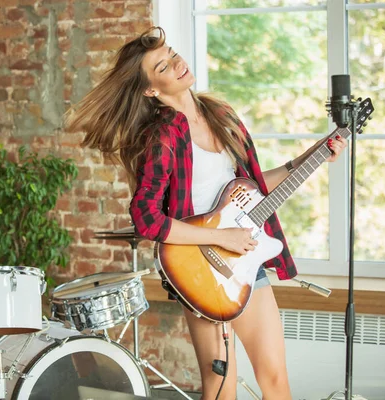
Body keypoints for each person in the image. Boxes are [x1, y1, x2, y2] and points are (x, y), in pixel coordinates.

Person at [66, 27, 347, 400]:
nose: (178, 63)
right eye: (164, 66)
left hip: (246, 262)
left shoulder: (221, 114)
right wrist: (219, 236)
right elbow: (146, 218)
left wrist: (312, 156)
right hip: (200, 268)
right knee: (220, 386)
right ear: (152, 90)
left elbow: (257, 185)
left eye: (173, 53)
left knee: (276, 380)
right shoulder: (162, 135)